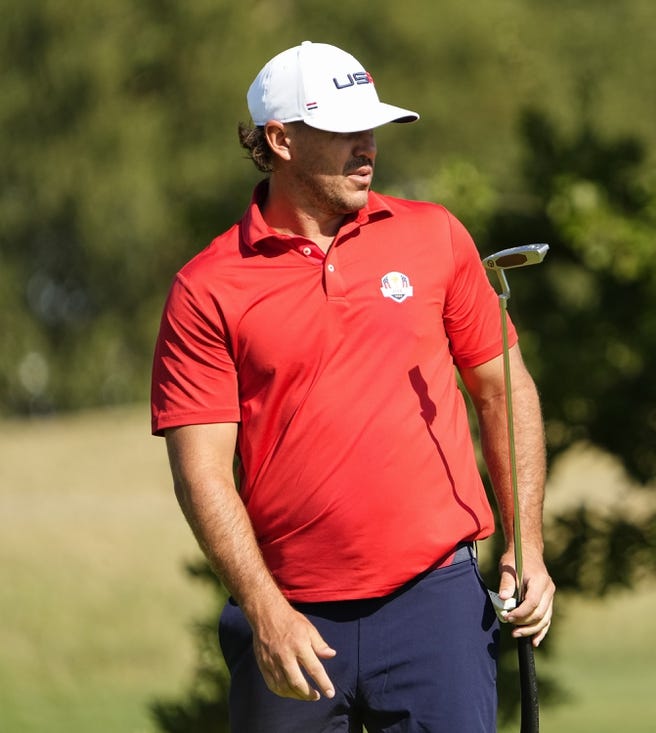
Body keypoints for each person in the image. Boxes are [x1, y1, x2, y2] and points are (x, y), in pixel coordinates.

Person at [150, 41, 554, 732]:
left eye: (371, 128)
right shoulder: (207, 286)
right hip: (292, 615)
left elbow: (502, 388)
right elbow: (203, 475)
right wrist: (264, 610)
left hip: (437, 601)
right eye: (342, 131)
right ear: (279, 140)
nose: (366, 147)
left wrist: (527, 541)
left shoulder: (435, 237)